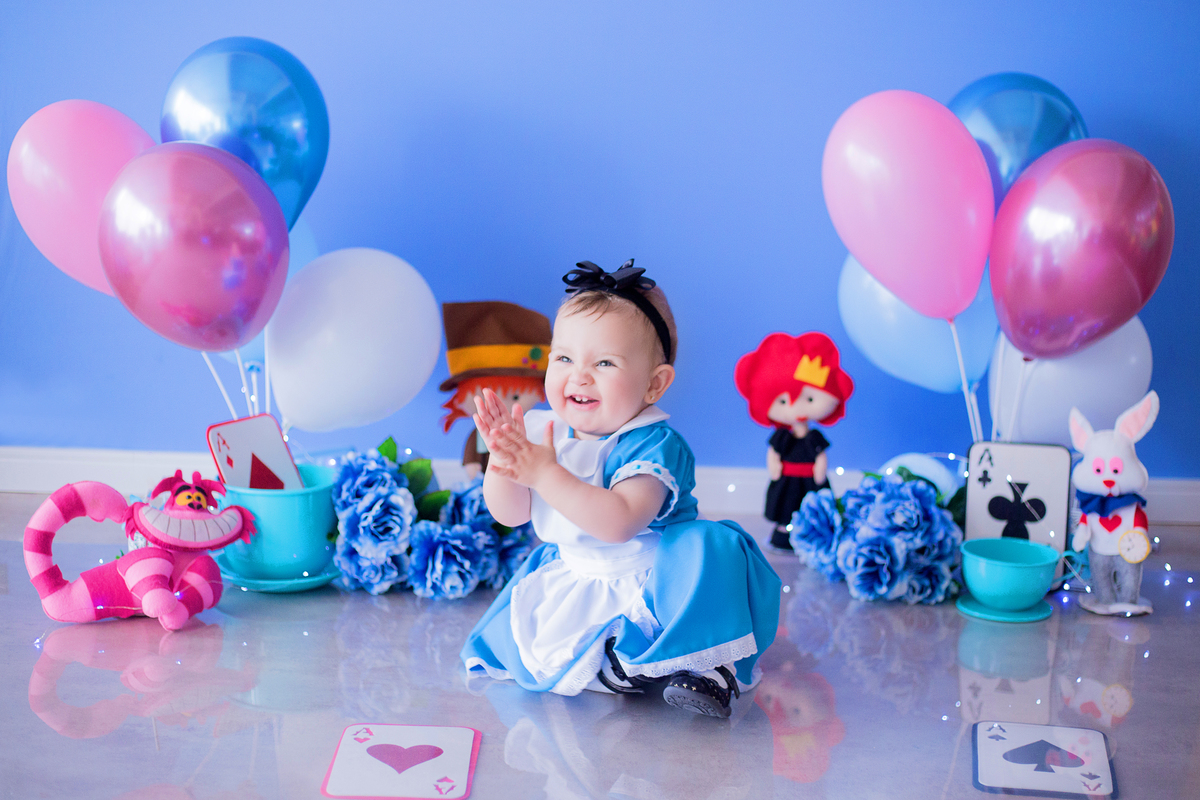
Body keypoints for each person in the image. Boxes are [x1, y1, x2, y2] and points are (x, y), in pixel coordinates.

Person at [460, 259, 780, 718]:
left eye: (604, 362)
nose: (579, 375)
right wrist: (505, 466)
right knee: (548, 634)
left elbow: (619, 522)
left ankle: (704, 666)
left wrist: (546, 473)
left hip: (656, 581)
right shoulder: (541, 429)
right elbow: (511, 515)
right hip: (579, 573)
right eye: (564, 358)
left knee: (714, 545)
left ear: (654, 384)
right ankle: (616, 667)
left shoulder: (653, 442)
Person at [734, 332, 854, 551]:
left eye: (808, 399)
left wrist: (820, 469)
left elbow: (820, 455)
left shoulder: (813, 437)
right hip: (787, 478)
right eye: (784, 401)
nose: (797, 407)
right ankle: (783, 534)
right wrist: (774, 467)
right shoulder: (782, 436)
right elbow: (774, 452)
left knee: (813, 508)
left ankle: (812, 535)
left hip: (810, 479)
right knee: (786, 507)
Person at [438, 301, 552, 478]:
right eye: (487, 396)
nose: (501, 405)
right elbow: (471, 465)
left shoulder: (534, 430)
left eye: (515, 397)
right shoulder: (476, 437)